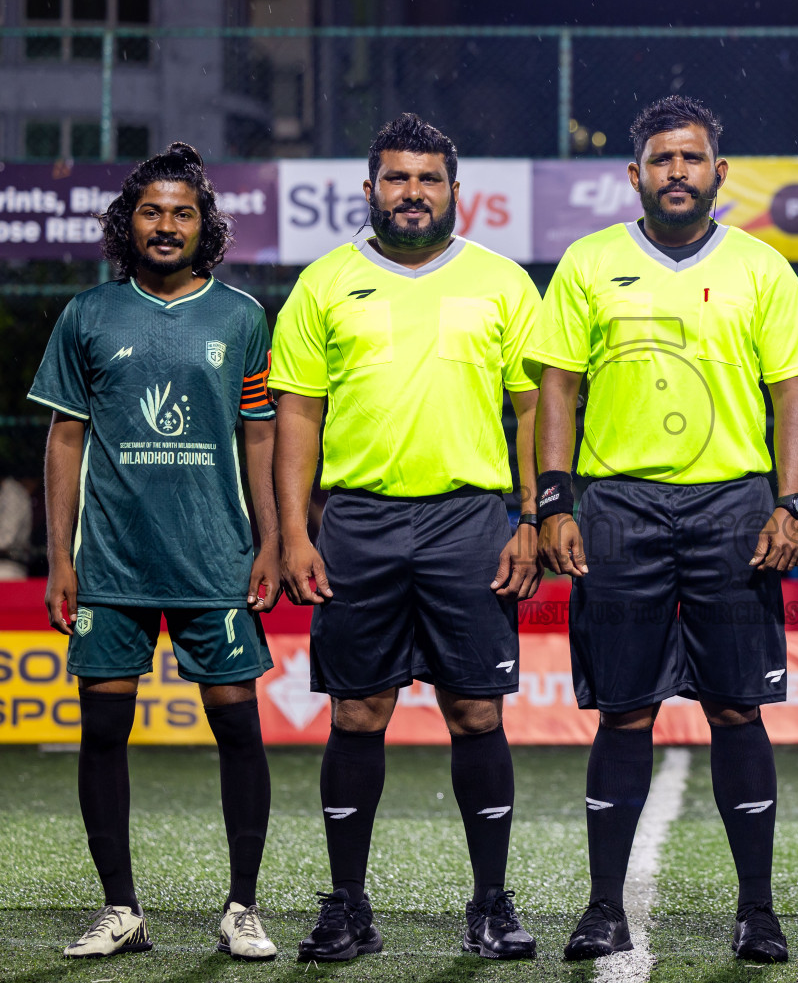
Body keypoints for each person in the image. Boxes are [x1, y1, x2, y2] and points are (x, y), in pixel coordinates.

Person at [531, 95, 798, 964]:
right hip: (620, 508)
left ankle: (758, 911)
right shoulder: (589, 262)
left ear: (719, 172)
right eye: (662, 159)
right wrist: (554, 502)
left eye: (692, 158)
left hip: (733, 508)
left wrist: (793, 504)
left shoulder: (763, 267)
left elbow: (793, 393)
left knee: (737, 708)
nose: (678, 172)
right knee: (624, 713)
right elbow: (556, 387)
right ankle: (603, 908)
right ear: (636, 174)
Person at [270, 113, 543, 963]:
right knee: (358, 710)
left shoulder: (503, 283)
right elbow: (297, 415)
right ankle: (347, 906)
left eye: (428, 179)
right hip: (358, 522)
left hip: (471, 521)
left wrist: (533, 518)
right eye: (397, 178)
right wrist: (293, 532)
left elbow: (534, 409)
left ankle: (491, 904)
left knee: (475, 710)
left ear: (457, 192)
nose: (413, 193)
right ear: (370, 188)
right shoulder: (324, 283)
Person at [29, 142, 282, 961]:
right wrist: (60, 557)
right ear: (127, 224)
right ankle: (121, 910)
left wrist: (272, 541)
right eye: (150, 211)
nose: (166, 225)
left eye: (182, 212)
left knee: (238, 729)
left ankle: (242, 908)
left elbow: (260, 436)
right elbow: (65, 439)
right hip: (112, 563)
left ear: (205, 226)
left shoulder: (241, 317)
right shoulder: (88, 315)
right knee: (103, 731)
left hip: (217, 561)